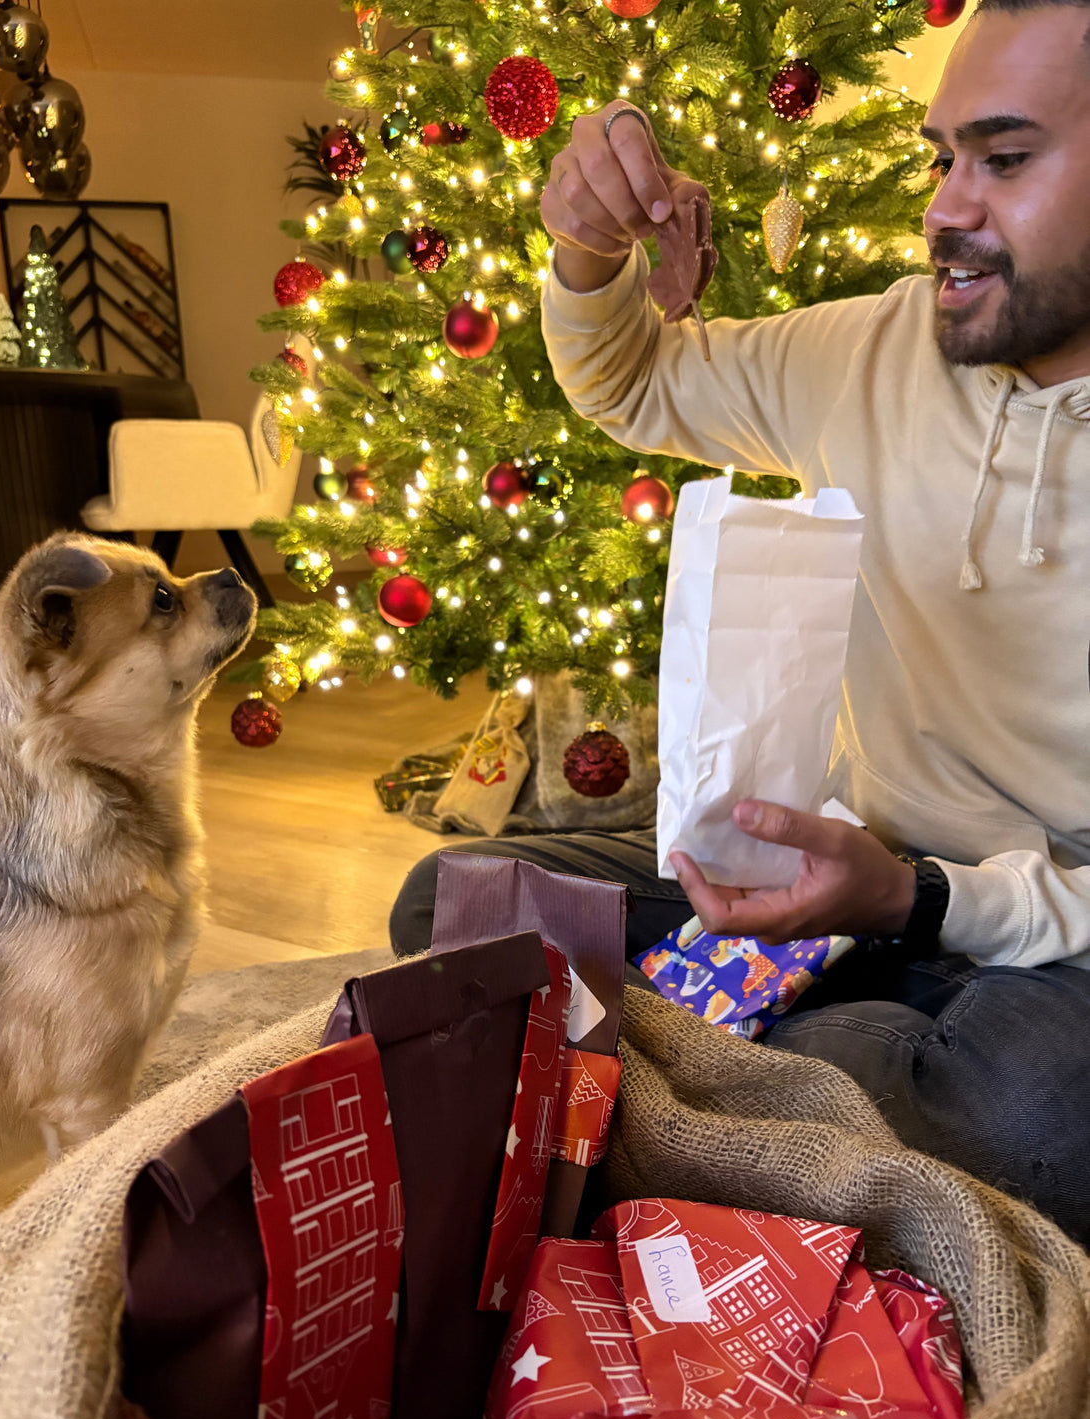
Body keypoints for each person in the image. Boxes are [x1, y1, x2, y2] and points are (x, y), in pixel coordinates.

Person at [391, 0, 1090, 1242]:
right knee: (454, 902)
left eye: (1003, 158)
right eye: (940, 159)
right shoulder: (874, 348)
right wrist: (585, 250)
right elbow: (629, 378)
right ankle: (797, 1085)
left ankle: (674, 1077)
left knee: (1038, 1114)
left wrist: (920, 903)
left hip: (1052, 950)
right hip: (841, 881)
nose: (943, 207)